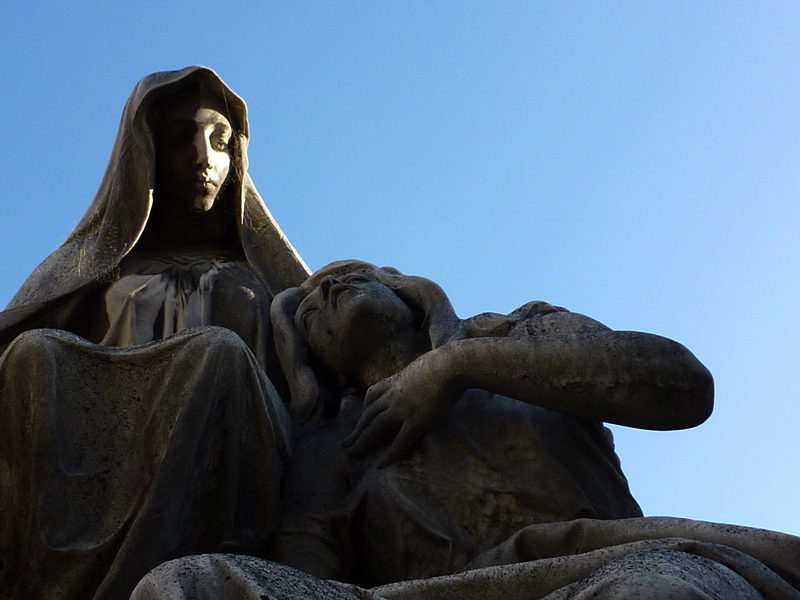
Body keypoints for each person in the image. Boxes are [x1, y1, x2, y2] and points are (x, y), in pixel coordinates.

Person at [130, 261, 800, 599]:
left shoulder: (521, 332)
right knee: (187, 584)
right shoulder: (328, 446)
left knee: (657, 594)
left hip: (603, 569)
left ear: (406, 291)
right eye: (306, 313)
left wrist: (458, 365)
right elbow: (312, 576)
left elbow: (683, 386)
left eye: (351, 277)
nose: (324, 291)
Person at [0, 66, 310, 600]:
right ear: (144, 151)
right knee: (33, 352)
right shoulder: (95, 272)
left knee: (217, 352)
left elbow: (351, 337)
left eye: (220, 142)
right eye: (181, 138)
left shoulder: (267, 278)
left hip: (239, 454)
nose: (203, 158)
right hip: (111, 450)